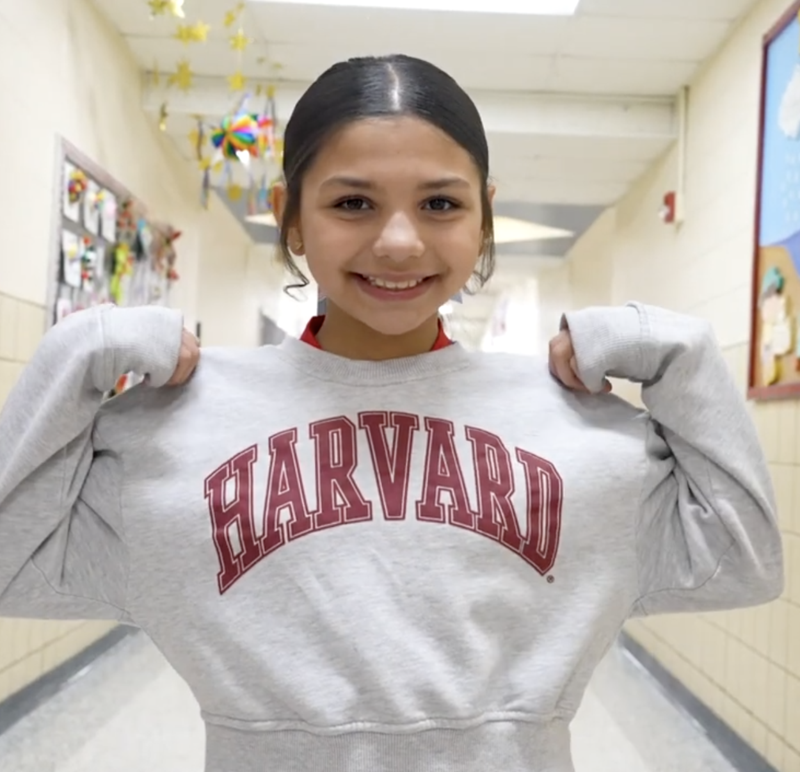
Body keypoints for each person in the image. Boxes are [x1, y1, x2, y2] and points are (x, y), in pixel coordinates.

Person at [0, 54, 784, 772]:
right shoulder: (176, 434)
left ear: (484, 218)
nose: (400, 241)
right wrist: (81, 350)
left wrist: (677, 354)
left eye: (441, 202)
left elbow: (741, 561)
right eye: (353, 202)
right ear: (291, 215)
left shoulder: (577, 434)